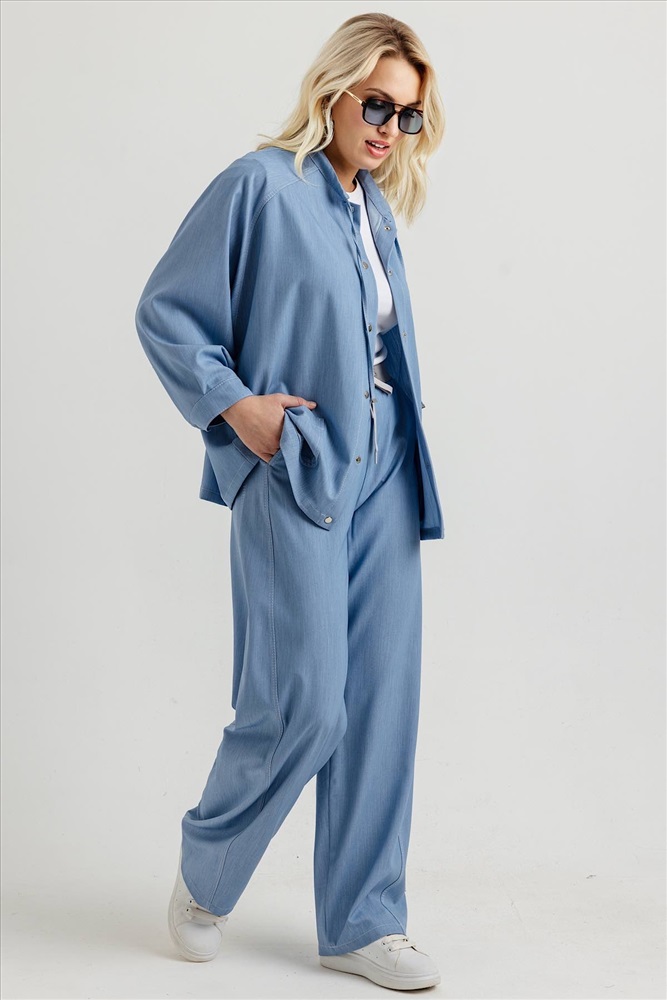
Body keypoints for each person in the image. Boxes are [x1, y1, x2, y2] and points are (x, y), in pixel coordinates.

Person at [135, 11, 446, 992]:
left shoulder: (374, 210)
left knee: (379, 702)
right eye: (378, 105)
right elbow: (167, 310)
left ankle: (363, 921)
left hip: (388, 468)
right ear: (334, 91)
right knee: (304, 697)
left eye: (409, 114)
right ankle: (207, 871)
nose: (390, 127)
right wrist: (238, 409)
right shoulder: (261, 184)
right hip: (300, 462)